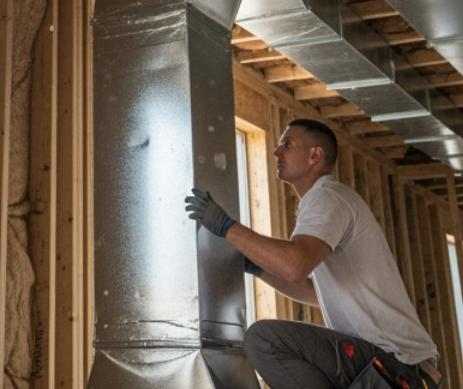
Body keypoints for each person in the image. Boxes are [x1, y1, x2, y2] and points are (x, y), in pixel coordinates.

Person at [185, 118, 444, 389]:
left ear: (314, 155)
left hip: (394, 364)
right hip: (402, 369)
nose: (276, 151)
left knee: (265, 339)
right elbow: (312, 291)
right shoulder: (329, 200)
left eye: (287, 144)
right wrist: (257, 266)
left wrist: (227, 227)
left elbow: (295, 265)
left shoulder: (326, 197)